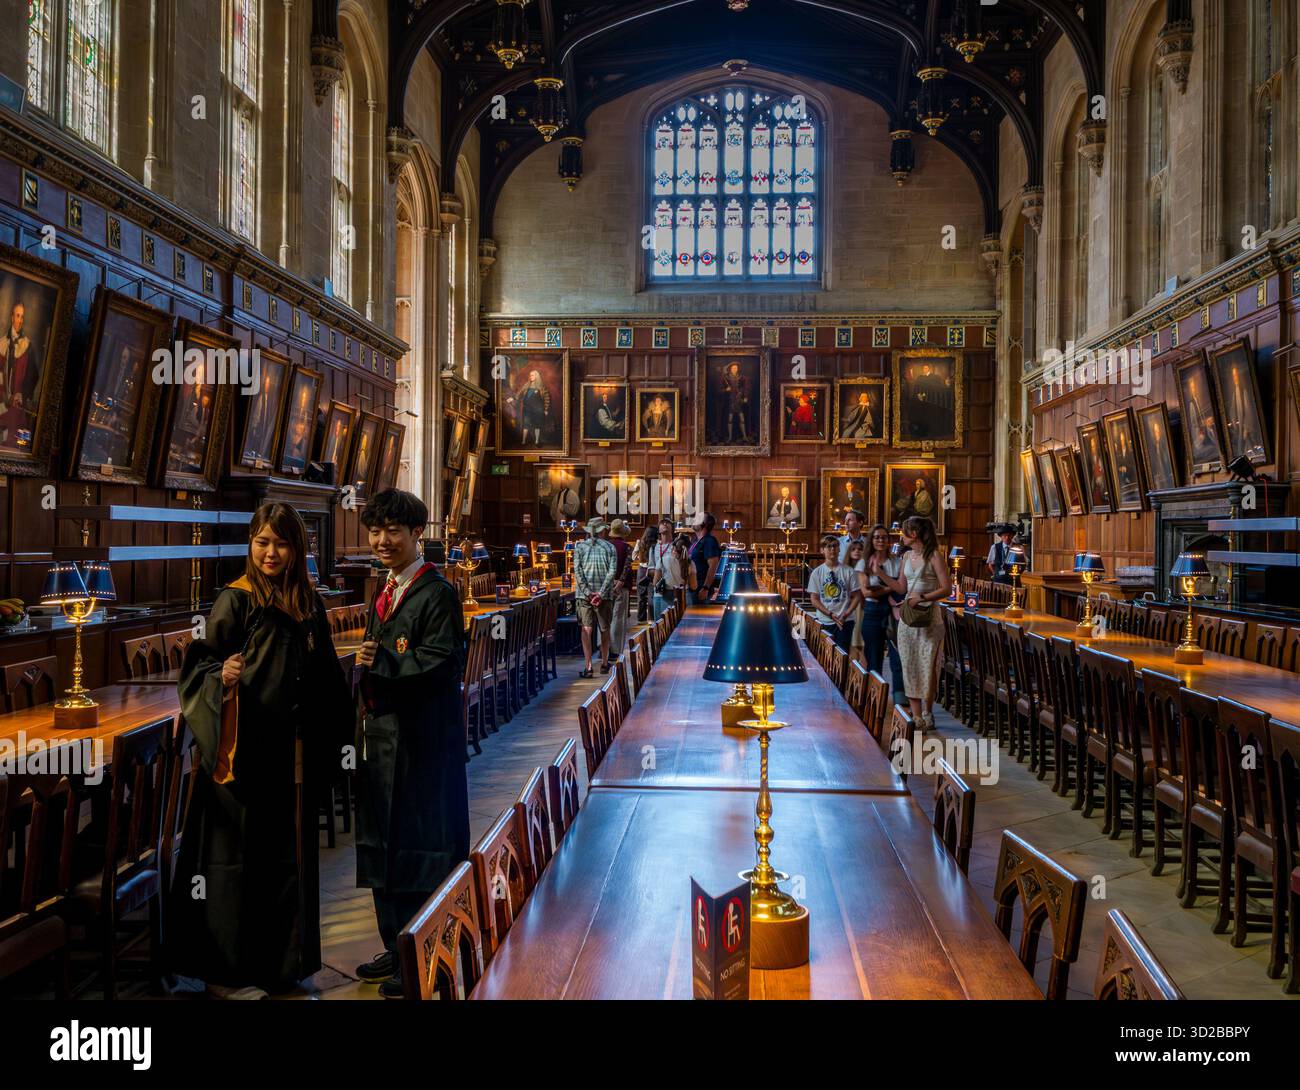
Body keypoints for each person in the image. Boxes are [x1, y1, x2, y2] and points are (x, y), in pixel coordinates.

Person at [171, 502, 352, 999]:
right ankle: (226, 967)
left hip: (291, 759)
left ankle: (283, 963)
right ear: (251, 544)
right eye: (262, 542)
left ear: (297, 547)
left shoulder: (308, 602)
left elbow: (329, 677)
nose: (271, 553)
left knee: (286, 861)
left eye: (281, 543)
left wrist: (340, 740)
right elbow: (197, 666)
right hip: (241, 758)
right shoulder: (234, 599)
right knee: (231, 866)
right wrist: (220, 677)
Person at [352, 488, 468, 999]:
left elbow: (439, 662)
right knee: (383, 842)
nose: (381, 540)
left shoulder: (436, 592)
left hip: (422, 744)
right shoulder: (387, 588)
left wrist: (376, 662)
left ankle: (422, 952)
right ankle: (395, 940)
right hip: (383, 738)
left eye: (393, 531)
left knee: (420, 845)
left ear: (417, 533)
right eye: (374, 530)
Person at [872, 516, 950, 730]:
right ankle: (916, 717)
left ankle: (927, 712)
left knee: (927, 665)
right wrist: (879, 574)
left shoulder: (934, 555)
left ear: (914, 534)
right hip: (908, 618)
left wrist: (923, 598)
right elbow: (900, 588)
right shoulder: (906, 556)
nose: (901, 535)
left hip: (928, 618)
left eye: (904, 532)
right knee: (909, 665)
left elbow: (947, 588)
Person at [574, 516, 616, 677]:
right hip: (604, 596)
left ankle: (589, 666)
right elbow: (611, 573)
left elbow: (577, 572)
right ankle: (605, 663)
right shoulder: (610, 548)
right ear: (602, 530)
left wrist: (587, 592)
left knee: (586, 630)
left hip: (583, 596)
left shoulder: (580, 547)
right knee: (604, 629)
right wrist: (601, 593)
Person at [808, 533, 861, 653]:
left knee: (842, 656)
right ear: (822, 550)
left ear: (839, 549)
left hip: (845, 621)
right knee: (824, 655)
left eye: (835, 546)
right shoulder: (817, 572)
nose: (832, 549)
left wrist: (846, 614)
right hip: (824, 620)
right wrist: (830, 614)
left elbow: (857, 596)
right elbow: (814, 598)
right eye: (828, 546)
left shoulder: (849, 571)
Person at [858, 524, 893, 674]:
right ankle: (874, 694)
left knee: (897, 656)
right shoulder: (863, 563)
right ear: (871, 540)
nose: (880, 540)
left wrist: (881, 590)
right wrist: (892, 587)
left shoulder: (896, 562)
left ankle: (898, 695)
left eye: (884, 537)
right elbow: (866, 593)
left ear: (888, 540)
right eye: (877, 537)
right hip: (873, 611)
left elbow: (904, 588)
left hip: (893, 611)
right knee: (874, 656)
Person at [607, 519, 634, 669]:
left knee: (606, 617)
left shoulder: (606, 546)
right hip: (621, 587)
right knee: (618, 619)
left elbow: (605, 566)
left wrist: (609, 582)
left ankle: (604, 647)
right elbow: (627, 566)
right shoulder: (627, 547)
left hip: (606, 586)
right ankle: (615, 650)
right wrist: (620, 582)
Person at [655, 532, 692, 619]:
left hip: (667, 596)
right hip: (685, 596)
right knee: (685, 625)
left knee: (667, 625)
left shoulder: (663, 560)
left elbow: (655, 581)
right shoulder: (690, 563)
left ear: (673, 548)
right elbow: (694, 586)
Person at [689, 512, 723, 604]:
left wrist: (705, 588)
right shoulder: (695, 541)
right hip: (693, 586)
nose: (694, 519)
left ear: (705, 524)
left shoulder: (709, 541)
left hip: (701, 587)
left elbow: (713, 565)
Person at [845, 539, 868, 665]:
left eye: (860, 549)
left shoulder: (867, 567)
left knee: (862, 643)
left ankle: (863, 673)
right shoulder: (845, 568)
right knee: (851, 644)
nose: (857, 551)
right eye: (853, 549)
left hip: (863, 608)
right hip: (849, 608)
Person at [632, 524, 661, 623]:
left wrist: (640, 559)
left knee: (641, 596)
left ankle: (641, 619)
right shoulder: (657, 544)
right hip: (653, 570)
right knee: (652, 595)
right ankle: (651, 619)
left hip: (642, 569)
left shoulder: (640, 542)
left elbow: (633, 556)